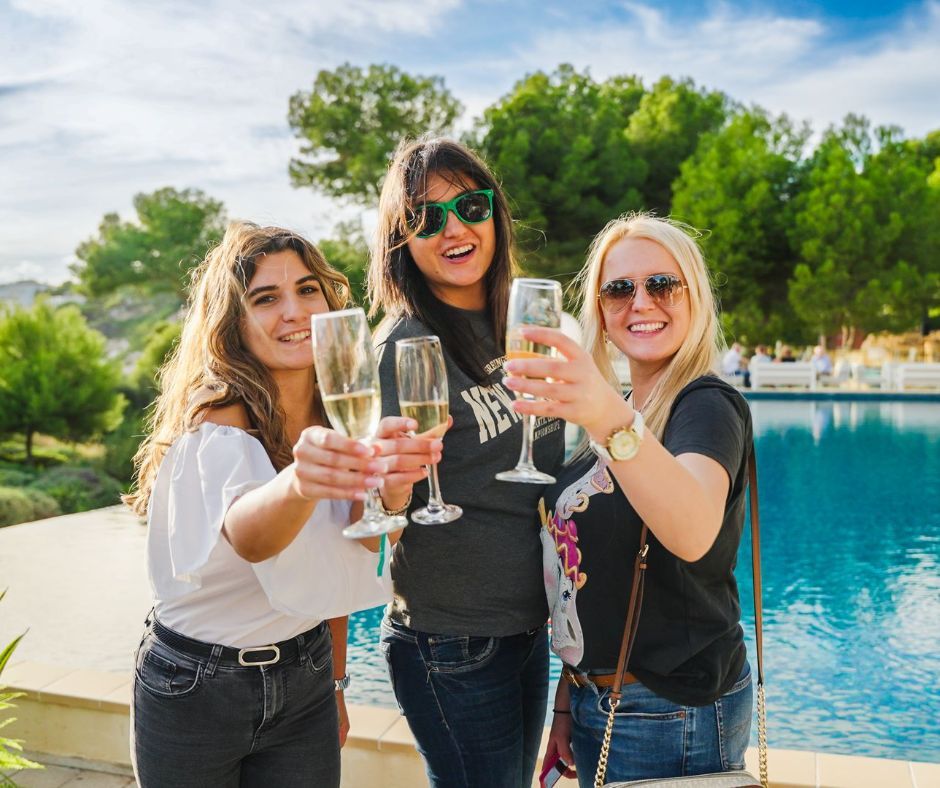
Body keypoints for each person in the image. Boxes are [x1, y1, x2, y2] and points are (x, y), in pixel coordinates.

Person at [124, 223, 439, 788]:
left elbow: (350, 555)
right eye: (266, 298)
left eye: (307, 289)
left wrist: (394, 492)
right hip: (196, 685)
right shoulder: (216, 418)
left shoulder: (339, 414)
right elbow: (251, 535)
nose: (294, 311)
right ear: (234, 324)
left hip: (306, 672)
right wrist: (301, 481)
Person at [504, 214, 754, 786]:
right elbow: (597, 571)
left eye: (662, 285)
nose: (641, 302)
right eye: (619, 289)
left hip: (670, 709)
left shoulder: (705, 404)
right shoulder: (622, 408)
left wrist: (607, 418)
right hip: (605, 700)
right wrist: (570, 698)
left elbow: (692, 533)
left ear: (695, 295)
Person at [368, 137, 565, 788]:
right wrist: (387, 487)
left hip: (526, 623)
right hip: (450, 637)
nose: (453, 229)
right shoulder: (406, 344)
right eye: (425, 217)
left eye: (470, 205)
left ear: (495, 215)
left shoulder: (517, 325)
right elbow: (383, 499)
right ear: (402, 241)